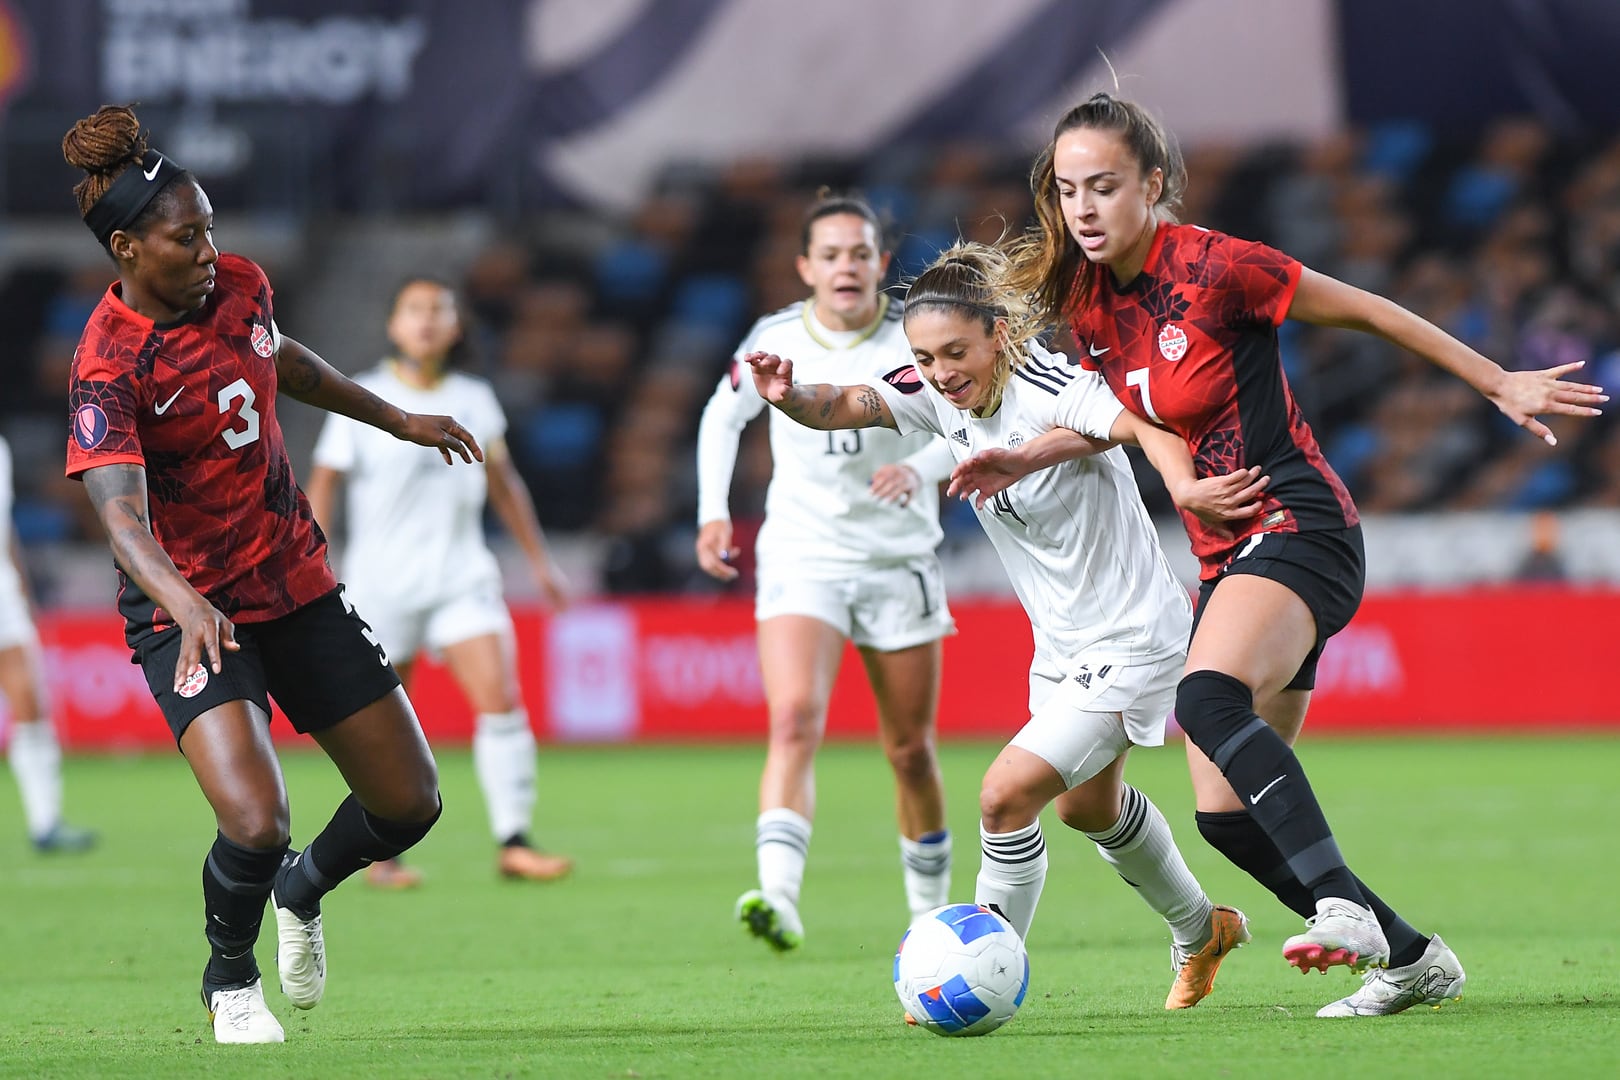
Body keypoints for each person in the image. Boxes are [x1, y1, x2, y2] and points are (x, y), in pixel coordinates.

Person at [954, 92, 1603, 1017]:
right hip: (1229, 557)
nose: (1084, 209)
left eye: (1104, 186)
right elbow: (1127, 420)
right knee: (1225, 816)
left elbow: (1370, 311)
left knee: (1204, 698)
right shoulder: (1089, 302)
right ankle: (1414, 959)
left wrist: (1497, 380)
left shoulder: (1220, 268)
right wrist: (1028, 453)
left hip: (1300, 524)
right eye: (1067, 191)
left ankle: (1342, 910)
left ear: (1153, 184)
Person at [745, 241, 1264, 1009]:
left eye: (956, 352)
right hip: (1061, 647)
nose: (941, 372)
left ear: (1000, 334)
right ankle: (1202, 928)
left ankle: (977, 978)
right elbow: (848, 404)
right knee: (1087, 807)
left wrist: (1185, 488)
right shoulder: (940, 395)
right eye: (926, 357)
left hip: (1133, 636)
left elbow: (1142, 423)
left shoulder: (1052, 385)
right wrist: (789, 395)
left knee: (1002, 797)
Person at [62, 105, 484, 1044]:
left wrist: (397, 418)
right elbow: (120, 516)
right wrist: (185, 604)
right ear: (128, 249)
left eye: (209, 227)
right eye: (186, 237)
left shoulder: (241, 286)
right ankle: (229, 980)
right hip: (189, 610)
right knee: (257, 819)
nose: (209, 250)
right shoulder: (109, 364)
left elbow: (279, 357)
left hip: (295, 581)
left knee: (410, 802)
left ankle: (305, 888)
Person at [695, 192, 961, 951]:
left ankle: (929, 917)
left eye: (860, 253)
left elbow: (968, 419)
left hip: (897, 558)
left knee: (910, 750)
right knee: (793, 721)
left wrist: (919, 468)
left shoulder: (916, 336)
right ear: (806, 267)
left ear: (881, 263)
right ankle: (778, 897)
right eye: (831, 254)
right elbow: (722, 415)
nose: (847, 265)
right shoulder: (775, 337)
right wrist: (712, 511)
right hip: (802, 552)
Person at [305, 276, 574, 887]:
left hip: (462, 577)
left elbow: (504, 483)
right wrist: (313, 562)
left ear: (456, 327)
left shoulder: (475, 397)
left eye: (439, 310)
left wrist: (540, 561)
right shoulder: (361, 395)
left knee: (501, 701)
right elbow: (324, 484)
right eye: (414, 310)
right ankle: (381, 856)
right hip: (382, 585)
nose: (426, 320)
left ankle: (514, 841)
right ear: (393, 325)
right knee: (384, 728)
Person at [1, 435, 97, 854]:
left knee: (30, 700)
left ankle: (45, 822)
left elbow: (4, 528)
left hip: (2, 590)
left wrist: (21, 587)